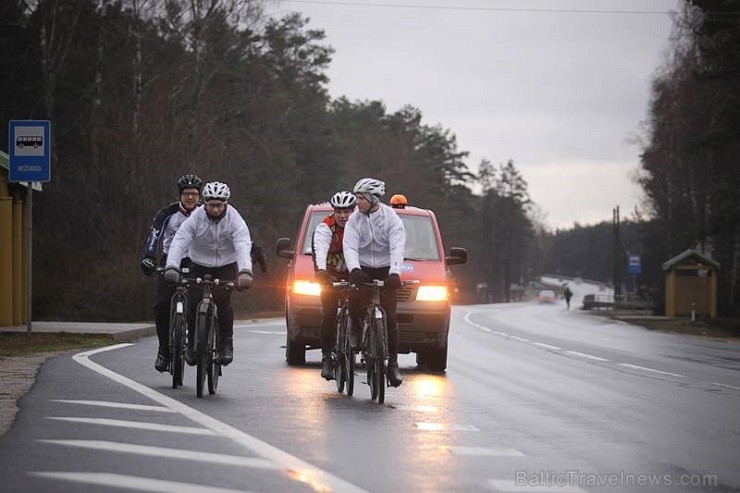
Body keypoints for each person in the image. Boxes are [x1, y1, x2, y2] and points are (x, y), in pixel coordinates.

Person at [163, 181, 254, 366]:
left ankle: (225, 344)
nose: (215, 209)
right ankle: (190, 344)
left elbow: (243, 244)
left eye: (219, 205)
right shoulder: (196, 218)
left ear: (225, 204)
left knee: (223, 302)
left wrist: (245, 271)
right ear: (204, 203)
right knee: (192, 301)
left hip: (226, 264)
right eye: (211, 204)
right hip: (199, 263)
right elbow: (180, 241)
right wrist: (172, 265)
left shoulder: (234, 219)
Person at [343, 177, 406, 387]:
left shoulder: (391, 218)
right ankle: (355, 327)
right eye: (357, 197)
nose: (357, 202)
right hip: (363, 267)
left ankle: (393, 364)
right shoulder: (354, 219)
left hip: (386, 267)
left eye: (361, 198)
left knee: (390, 316)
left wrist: (395, 272)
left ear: (372, 199)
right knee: (355, 298)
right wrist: (354, 269)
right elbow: (350, 246)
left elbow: (397, 246)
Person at [140, 174, 203, 372]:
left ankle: (194, 345)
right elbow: (154, 235)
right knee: (162, 305)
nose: (190, 198)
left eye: (194, 194)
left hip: (196, 262)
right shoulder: (167, 213)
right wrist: (149, 256)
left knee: (196, 303)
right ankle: (163, 351)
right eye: (186, 194)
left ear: (199, 195)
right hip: (170, 261)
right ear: (180, 195)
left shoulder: (205, 213)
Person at [312, 191, 357, 380]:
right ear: (334, 212)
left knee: (359, 305)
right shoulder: (325, 227)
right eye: (339, 212)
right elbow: (320, 250)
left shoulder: (359, 226)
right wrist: (321, 272)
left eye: (347, 212)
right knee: (330, 312)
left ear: (353, 211)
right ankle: (327, 357)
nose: (343, 216)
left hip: (354, 271)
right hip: (329, 273)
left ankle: (357, 334)